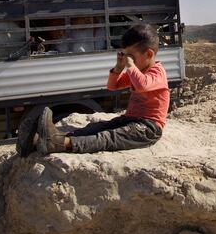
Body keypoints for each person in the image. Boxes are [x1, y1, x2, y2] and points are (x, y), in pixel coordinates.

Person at [17, 24, 169, 155]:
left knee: (107, 138)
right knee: (96, 127)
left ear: (149, 54)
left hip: (148, 128)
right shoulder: (138, 71)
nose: (129, 60)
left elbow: (142, 85)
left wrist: (130, 65)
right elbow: (112, 86)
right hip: (131, 119)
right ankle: (41, 140)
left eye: (132, 56)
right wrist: (119, 67)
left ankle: (60, 144)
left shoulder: (157, 73)